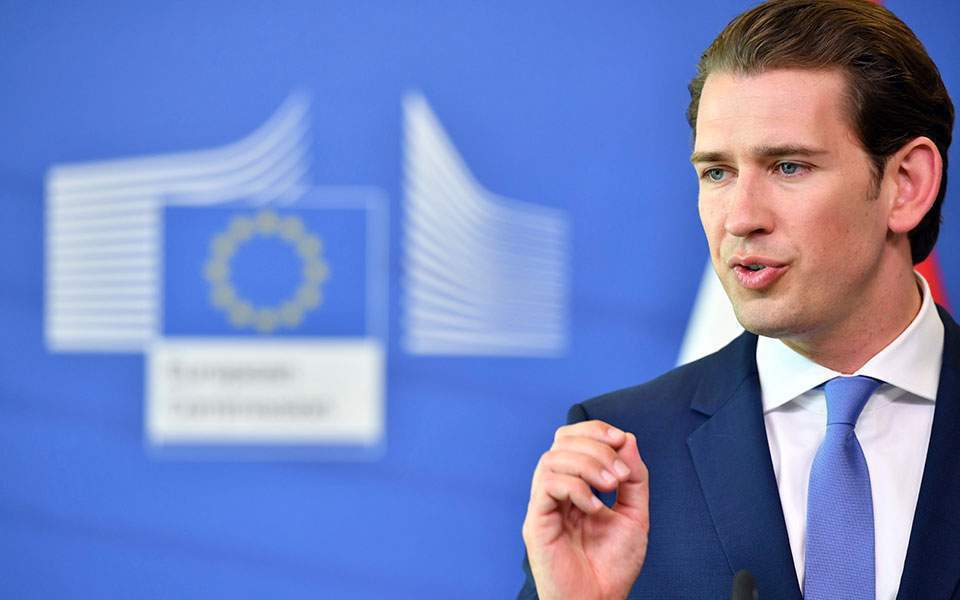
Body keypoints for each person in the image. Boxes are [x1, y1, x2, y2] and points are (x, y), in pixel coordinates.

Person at [518, 0, 956, 598]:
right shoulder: (622, 457)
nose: (741, 218)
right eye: (717, 173)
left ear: (906, 185)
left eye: (789, 167)